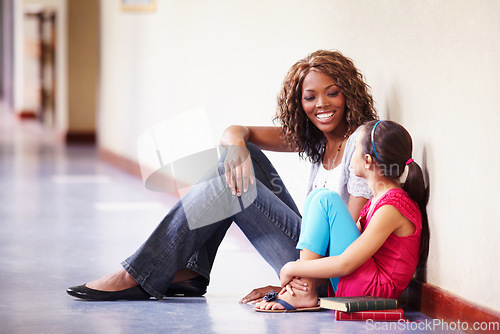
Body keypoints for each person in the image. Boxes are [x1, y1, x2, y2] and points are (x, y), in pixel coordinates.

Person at [66, 50, 377, 302]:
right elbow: (235, 131)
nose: (321, 104)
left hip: (328, 276)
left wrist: (289, 283)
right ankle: (190, 271)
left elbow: (346, 244)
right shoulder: (319, 137)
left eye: (332, 93)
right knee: (238, 159)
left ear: (348, 94)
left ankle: (141, 273)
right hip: (310, 255)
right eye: (310, 97)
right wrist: (238, 148)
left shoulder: (359, 143)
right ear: (300, 103)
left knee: (234, 187)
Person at [254, 120, 430, 312]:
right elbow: (344, 254)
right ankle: (304, 289)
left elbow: (346, 263)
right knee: (317, 196)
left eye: (354, 149)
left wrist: (291, 268)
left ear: (368, 160)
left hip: (374, 291)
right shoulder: (376, 202)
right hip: (365, 283)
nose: (350, 155)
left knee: (325, 199)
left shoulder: (391, 207)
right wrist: (300, 274)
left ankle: (303, 292)